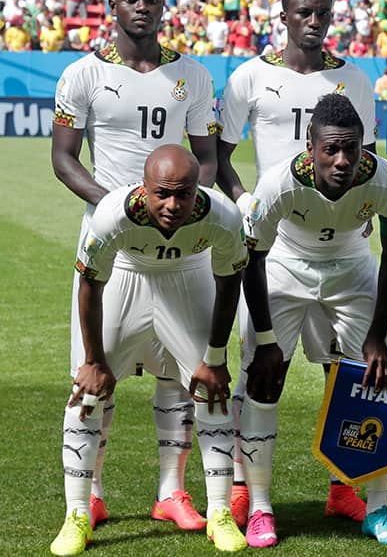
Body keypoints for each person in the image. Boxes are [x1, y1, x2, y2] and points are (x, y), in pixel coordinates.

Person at [50, 0, 219, 535]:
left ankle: (171, 491)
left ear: (164, 4)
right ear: (112, 3)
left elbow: (211, 158)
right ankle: (89, 495)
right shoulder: (82, 74)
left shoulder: (192, 75)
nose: (141, 7)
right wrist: (120, 209)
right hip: (113, 246)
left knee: (182, 374)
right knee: (94, 373)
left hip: (180, 244)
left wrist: (177, 205)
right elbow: (65, 159)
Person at [216, 0, 378, 527]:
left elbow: (369, 158)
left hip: (345, 248)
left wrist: (363, 215)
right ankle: (244, 488)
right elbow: (219, 153)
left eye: (323, 13)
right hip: (278, 247)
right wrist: (245, 202)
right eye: (304, 13)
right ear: (282, 17)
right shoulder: (251, 77)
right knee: (263, 367)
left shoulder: (354, 78)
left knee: (349, 374)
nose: (315, 21)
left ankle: (344, 485)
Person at [50, 146, 248, 555]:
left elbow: (229, 283)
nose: (173, 205)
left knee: (211, 394)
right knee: (86, 394)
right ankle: (77, 514)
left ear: (199, 190)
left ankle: (219, 513)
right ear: (144, 188)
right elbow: (90, 286)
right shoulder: (112, 215)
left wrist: (215, 358)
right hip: (126, 276)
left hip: (188, 278)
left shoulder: (223, 216)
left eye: (184, 194)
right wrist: (93, 361)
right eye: (162, 194)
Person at [238, 93, 387, 547]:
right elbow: (250, 261)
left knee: (373, 383)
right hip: (285, 268)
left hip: (352, 270)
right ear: (309, 148)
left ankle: (372, 506)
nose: (342, 160)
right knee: (265, 379)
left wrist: (377, 333)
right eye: (330, 149)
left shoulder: (386, 181)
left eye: (351, 149)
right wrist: (266, 338)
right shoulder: (278, 184)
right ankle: (259, 506)